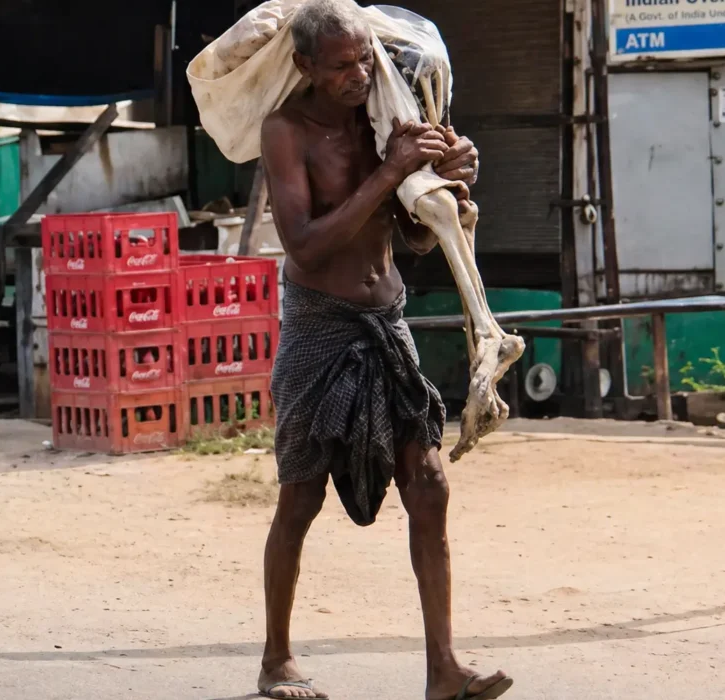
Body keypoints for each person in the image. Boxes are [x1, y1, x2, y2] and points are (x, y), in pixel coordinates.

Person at [256, 1, 512, 698]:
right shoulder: (285, 131)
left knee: (428, 486)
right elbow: (305, 242)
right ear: (305, 66)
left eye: (366, 59)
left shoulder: (385, 122)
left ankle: (443, 669)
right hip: (317, 325)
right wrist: (389, 169)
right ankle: (276, 658)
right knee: (300, 498)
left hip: (386, 320)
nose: (359, 74)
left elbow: (417, 237)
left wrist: (453, 179)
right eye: (342, 65)